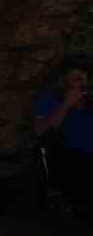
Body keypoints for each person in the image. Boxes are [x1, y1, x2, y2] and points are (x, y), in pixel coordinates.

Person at [33, 65, 91, 219]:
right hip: (68, 157)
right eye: (77, 79)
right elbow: (41, 131)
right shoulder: (49, 100)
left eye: (85, 79)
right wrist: (66, 104)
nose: (82, 84)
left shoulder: (89, 103)